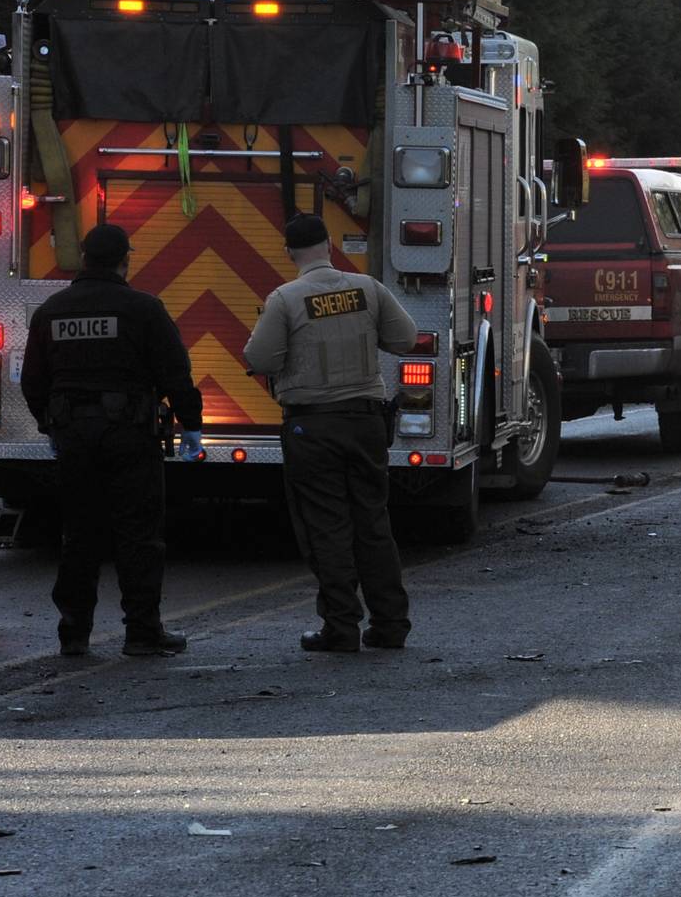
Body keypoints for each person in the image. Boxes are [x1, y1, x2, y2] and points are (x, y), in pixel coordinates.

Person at [22, 223, 201, 657]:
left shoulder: (52, 311)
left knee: (79, 535)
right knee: (139, 537)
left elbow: (33, 382)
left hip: (74, 440)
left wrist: (52, 427)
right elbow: (174, 373)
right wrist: (191, 426)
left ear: (84, 257)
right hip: (130, 437)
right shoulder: (143, 309)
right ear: (126, 259)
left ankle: (74, 632)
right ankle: (142, 633)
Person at [243, 215, 419, 653]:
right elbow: (405, 340)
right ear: (327, 246)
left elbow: (260, 358)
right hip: (365, 423)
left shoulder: (285, 299)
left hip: (313, 427)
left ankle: (341, 628)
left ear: (290, 253)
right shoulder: (368, 288)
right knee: (373, 523)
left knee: (327, 527)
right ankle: (391, 624)